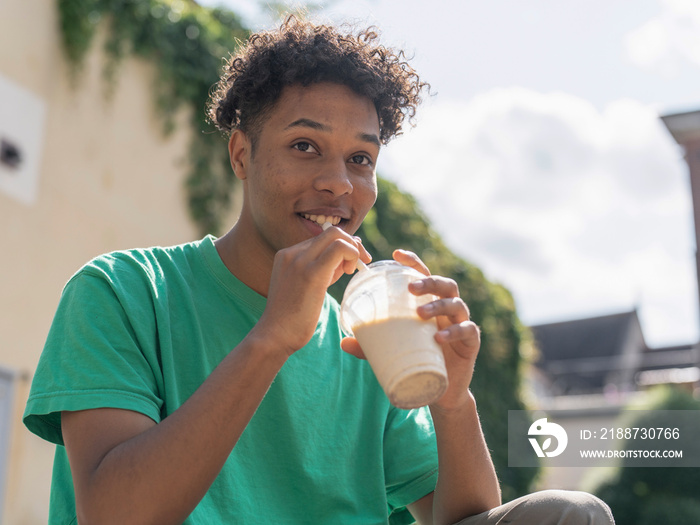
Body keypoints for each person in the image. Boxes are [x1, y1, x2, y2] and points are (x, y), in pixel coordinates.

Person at [23, 15, 614, 525]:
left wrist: (453, 401)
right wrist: (272, 337)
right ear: (241, 154)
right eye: (305, 145)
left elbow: (461, 519)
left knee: (572, 515)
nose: (338, 183)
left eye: (361, 158)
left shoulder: (369, 339)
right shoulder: (124, 292)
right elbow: (113, 512)